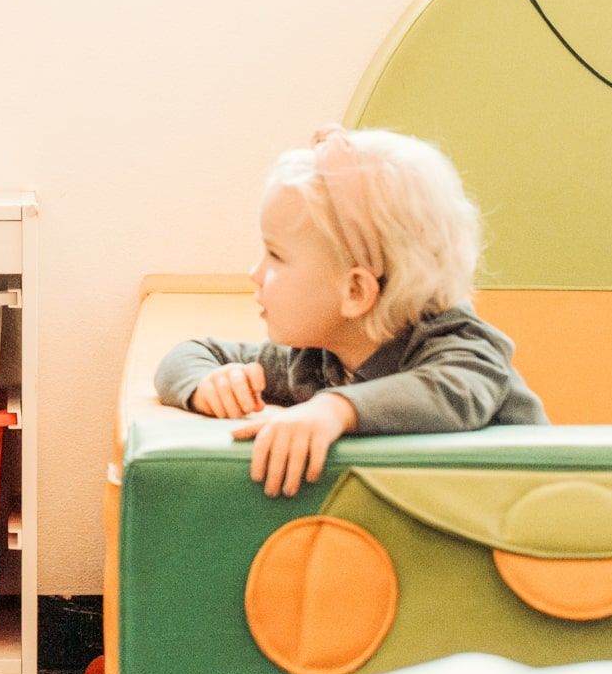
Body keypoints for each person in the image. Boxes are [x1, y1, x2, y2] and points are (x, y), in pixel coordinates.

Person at [156, 126, 545, 498]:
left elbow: (448, 391)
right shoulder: (314, 362)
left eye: (276, 256)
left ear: (356, 290)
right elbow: (188, 355)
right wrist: (206, 385)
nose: (254, 274)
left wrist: (336, 409)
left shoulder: (464, 353)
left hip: (539, 543)